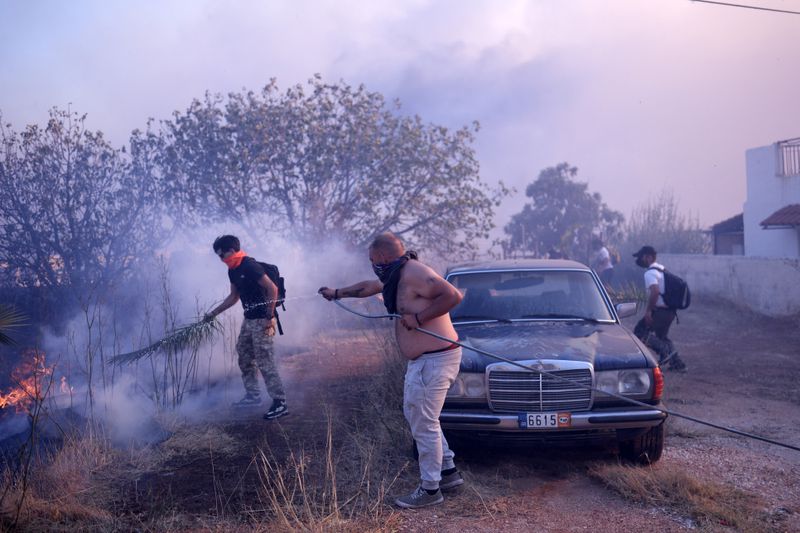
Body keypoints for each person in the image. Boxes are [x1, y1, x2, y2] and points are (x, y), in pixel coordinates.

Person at [318, 232, 464, 509]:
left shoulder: (414, 272)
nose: (372, 264)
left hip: (436, 359)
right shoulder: (396, 275)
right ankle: (447, 472)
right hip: (424, 361)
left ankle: (430, 490)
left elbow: (452, 295)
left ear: (383, 257)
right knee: (419, 416)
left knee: (424, 422)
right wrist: (337, 293)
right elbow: (369, 287)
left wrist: (419, 317)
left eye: (372, 259)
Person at [205, 235, 289, 419]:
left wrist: (269, 316)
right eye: (218, 256)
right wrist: (213, 313)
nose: (221, 259)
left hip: (264, 319)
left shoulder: (249, 266)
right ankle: (253, 396)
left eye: (223, 254)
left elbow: (272, 288)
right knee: (244, 354)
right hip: (249, 319)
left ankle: (280, 402)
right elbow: (234, 297)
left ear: (232, 250)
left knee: (264, 359)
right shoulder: (232, 271)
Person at [631, 245, 687, 372]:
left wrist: (649, 311)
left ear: (649, 257)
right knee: (662, 336)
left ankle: (665, 352)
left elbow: (655, 292)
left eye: (641, 257)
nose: (639, 260)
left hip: (660, 312)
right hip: (671, 312)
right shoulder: (662, 269)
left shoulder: (650, 273)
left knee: (639, 333)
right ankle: (678, 364)